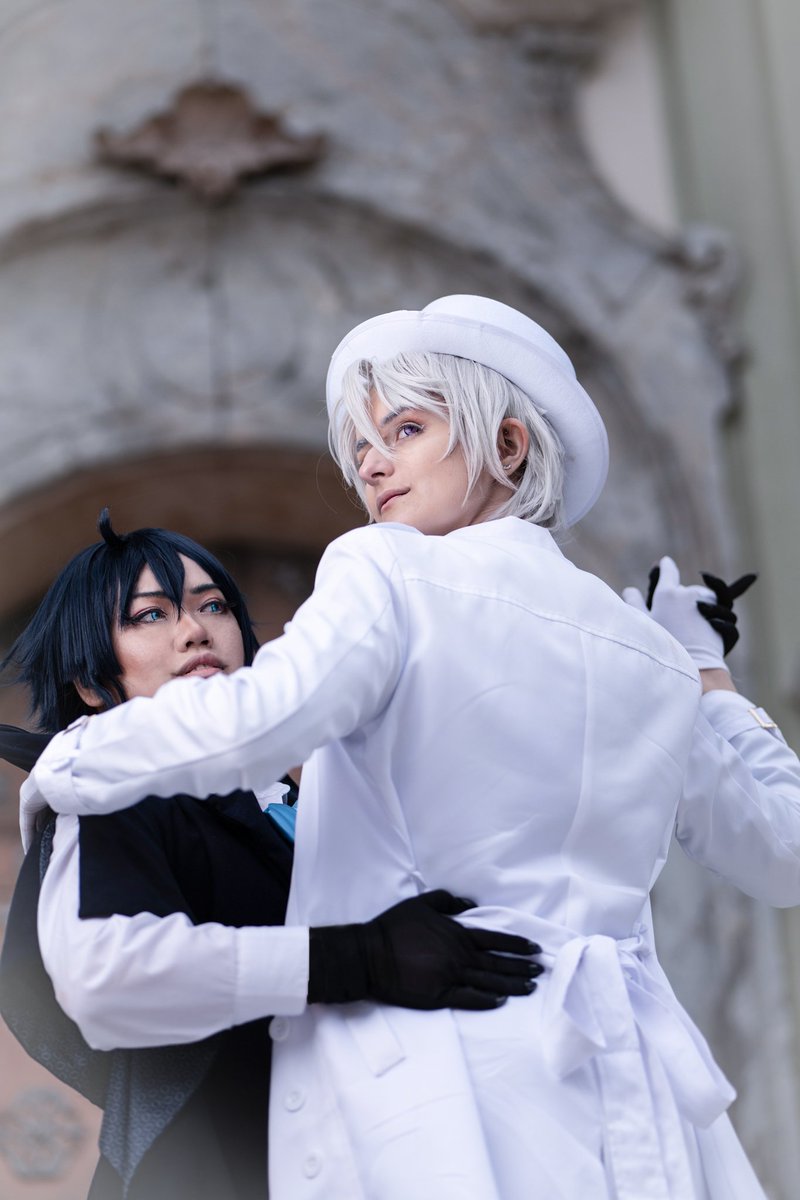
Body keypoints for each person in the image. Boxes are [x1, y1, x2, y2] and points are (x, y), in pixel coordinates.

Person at [20, 295, 800, 1200]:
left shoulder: (386, 567)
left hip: (439, 1093)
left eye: (406, 429)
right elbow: (783, 850)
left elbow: (259, 718)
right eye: (360, 445)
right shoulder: (652, 656)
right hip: (638, 1103)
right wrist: (707, 672)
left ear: (508, 445)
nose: (371, 464)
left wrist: (72, 758)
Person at [0, 511, 540, 1200]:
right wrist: (358, 958)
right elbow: (106, 974)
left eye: (214, 606)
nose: (195, 630)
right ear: (90, 683)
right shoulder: (108, 788)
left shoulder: (312, 797)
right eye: (150, 615)